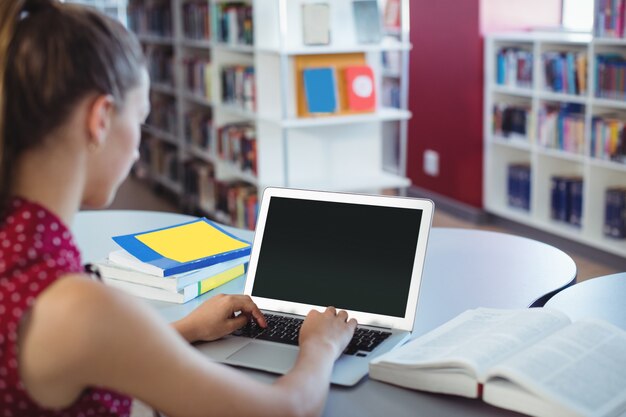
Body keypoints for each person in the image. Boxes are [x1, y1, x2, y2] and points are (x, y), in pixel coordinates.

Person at [0, 1, 357, 416]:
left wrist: (186, 329)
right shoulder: (78, 307)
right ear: (100, 119)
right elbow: (284, 410)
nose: (137, 150)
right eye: (141, 119)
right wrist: (321, 345)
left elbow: (77, 349)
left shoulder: (24, 261)